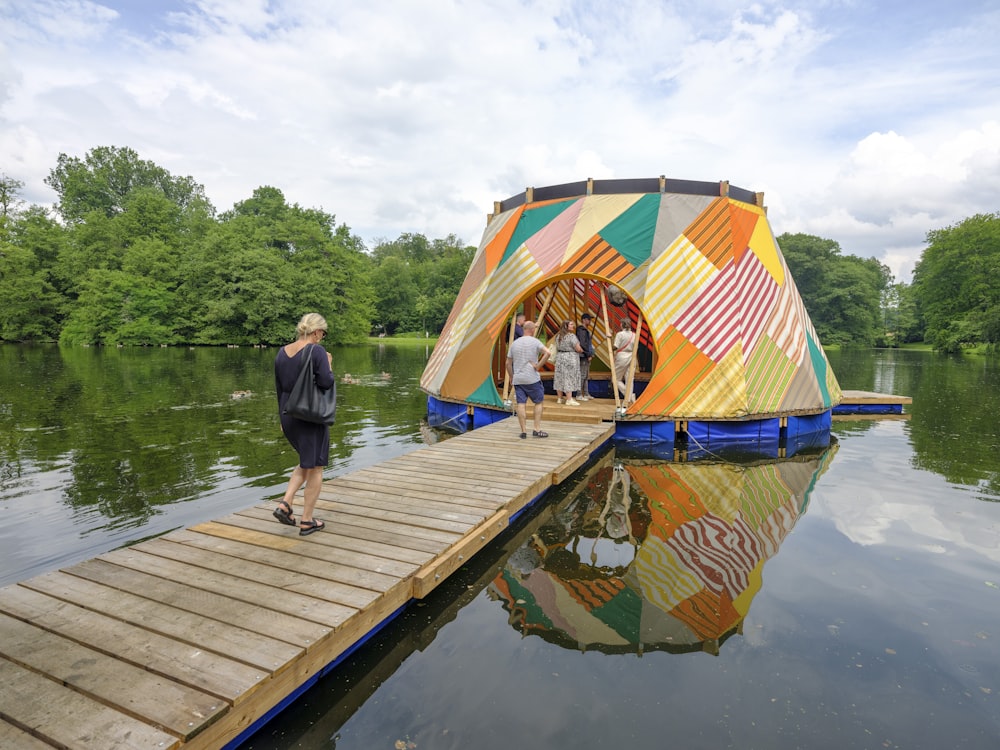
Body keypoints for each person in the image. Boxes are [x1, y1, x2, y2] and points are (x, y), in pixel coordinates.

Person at [273, 312, 335, 536]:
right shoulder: (317, 351)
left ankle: (285, 504)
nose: (322, 337)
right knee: (316, 466)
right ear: (317, 332)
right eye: (323, 333)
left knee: (306, 462)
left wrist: (281, 418)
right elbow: (326, 382)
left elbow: (279, 389)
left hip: (288, 416)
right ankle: (307, 521)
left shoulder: (282, 353)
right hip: (310, 416)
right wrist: (328, 364)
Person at [506, 320, 550, 438]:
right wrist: (538, 366)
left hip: (518, 379)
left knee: (521, 403)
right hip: (532, 378)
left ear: (524, 329)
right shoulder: (535, 342)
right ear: (532, 330)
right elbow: (548, 353)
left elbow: (508, 363)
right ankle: (536, 429)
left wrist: (511, 376)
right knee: (538, 402)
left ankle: (523, 431)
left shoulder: (514, 343)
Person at [553, 320, 583, 406]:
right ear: (566, 326)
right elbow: (577, 348)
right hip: (570, 358)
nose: (573, 326)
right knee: (568, 377)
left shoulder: (558, 336)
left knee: (559, 377)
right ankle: (569, 399)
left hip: (560, 357)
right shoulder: (571, 336)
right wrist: (581, 350)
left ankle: (559, 398)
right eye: (571, 324)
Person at [613, 318, 636, 403]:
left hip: (622, 356)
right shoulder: (634, 335)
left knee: (616, 379)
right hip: (632, 356)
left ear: (622, 324)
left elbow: (616, 346)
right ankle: (629, 397)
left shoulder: (620, 334)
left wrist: (611, 348)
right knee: (630, 378)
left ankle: (628, 396)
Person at [576, 313, 594, 401]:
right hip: (583, 355)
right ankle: (579, 394)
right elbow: (583, 344)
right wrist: (588, 354)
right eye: (588, 319)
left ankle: (586, 393)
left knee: (586, 375)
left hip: (586, 354)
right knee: (582, 375)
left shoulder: (585, 330)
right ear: (583, 320)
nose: (589, 321)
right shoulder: (581, 330)